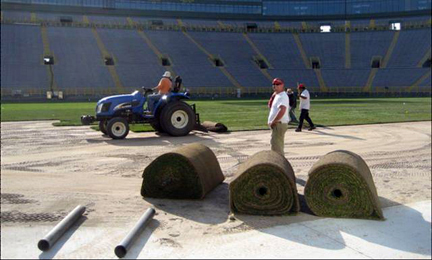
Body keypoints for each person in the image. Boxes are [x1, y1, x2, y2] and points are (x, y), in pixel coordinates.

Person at [268, 78, 290, 156]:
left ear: (282, 85)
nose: (275, 86)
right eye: (274, 84)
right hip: (278, 124)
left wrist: (274, 121)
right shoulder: (277, 95)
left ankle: (280, 166)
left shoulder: (282, 96)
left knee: (277, 149)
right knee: (276, 146)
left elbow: (282, 110)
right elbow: (270, 106)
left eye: (277, 84)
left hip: (279, 124)